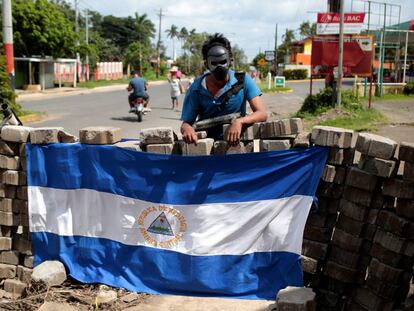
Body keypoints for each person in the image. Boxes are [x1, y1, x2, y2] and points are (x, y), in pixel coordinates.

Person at [180, 33, 267, 144]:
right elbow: (186, 123)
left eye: (222, 62)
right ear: (207, 64)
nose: (219, 67)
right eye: (214, 63)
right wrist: (187, 129)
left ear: (230, 61)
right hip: (208, 147)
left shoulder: (243, 81)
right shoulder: (196, 89)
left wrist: (240, 122)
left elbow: (262, 113)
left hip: (235, 145)